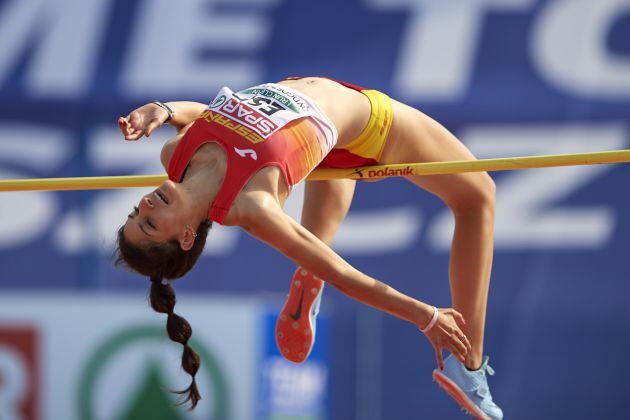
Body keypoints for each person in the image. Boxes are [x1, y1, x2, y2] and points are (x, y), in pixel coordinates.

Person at [115, 77, 501, 419]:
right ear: (185, 237)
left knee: (328, 166)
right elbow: (343, 273)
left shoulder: (175, 154)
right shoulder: (252, 205)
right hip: (368, 123)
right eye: (149, 225)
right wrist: (426, 317)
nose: (145, 205)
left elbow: (209, 115)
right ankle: (468, 365)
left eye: (136, 212)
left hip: (319, 135)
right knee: (478, 196)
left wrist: (164, 110)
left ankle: (309, 270)